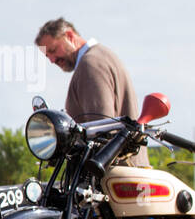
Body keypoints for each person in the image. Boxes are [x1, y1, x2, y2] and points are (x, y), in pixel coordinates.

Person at [35, 17, 146, 165]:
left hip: (114, 176)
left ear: (69, 36)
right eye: (47, 56)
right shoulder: (101, 56)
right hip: (126, 173)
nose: (53, 60)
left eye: (53, 50)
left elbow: (102, 128)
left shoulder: (90, 64)